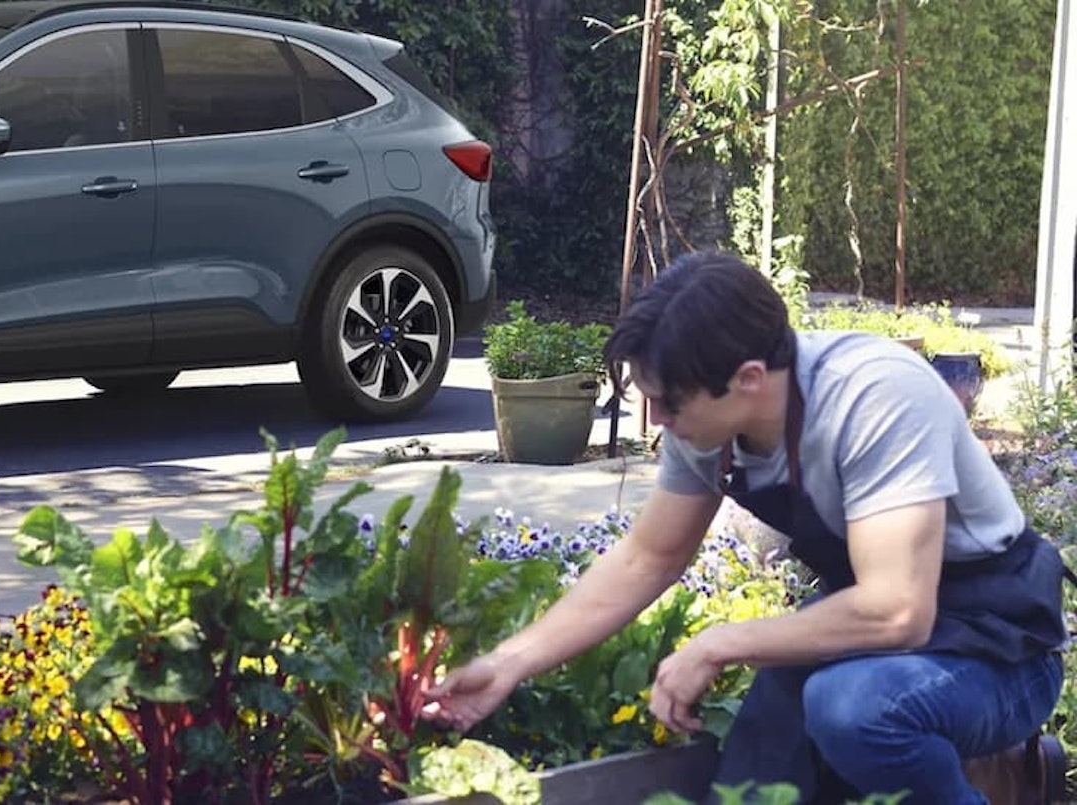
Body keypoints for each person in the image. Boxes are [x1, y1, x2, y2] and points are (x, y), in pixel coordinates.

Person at [421, 251, 1073, 803]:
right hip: (870, 636)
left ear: (749, 379)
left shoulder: (875, 397)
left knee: (853, 710)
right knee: (757, 776)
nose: (656, 417)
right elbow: (648, 556)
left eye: (668, 400)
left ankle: (997, 773)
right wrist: (507, 663)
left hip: (997, 645)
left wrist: (720, 642)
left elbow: (897, 609)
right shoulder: (711, 421)